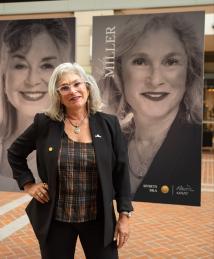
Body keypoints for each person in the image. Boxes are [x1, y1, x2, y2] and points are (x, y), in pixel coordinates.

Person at [8, 62, 133, 259]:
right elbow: (15, 153)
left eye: (77, 84)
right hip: (57, 219)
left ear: (88, 87)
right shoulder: (45, 123)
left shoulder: (108, 124)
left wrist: (124, 216)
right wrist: (28, 184)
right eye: (64, 87)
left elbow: (121, 171)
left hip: (98, 219)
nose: (72, 91)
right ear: (58, 95)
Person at [99, 13, 203, 205]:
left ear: (188, 73)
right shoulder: (111, 142)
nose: (155, 80)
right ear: (119, 73)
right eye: (140, 61)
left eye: (171, 61)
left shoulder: (194, 142)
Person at [0, 19, 73, 191]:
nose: (32, 80)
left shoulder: (76, 141)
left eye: (46, 65)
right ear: (4, 74)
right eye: (20, 65)